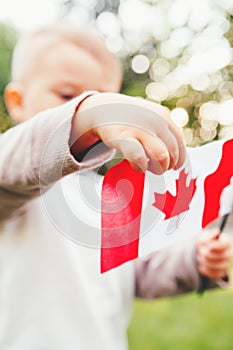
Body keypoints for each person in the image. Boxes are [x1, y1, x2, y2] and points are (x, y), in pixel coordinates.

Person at [0, 22, 231, 350]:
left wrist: (195, 262)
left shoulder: (106, 196)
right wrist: (84, 115)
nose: (91, 113)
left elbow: (138, 272)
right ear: (18, 101)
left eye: (103, 98)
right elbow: (18, 159)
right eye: (69, 95)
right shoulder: (13, 178)